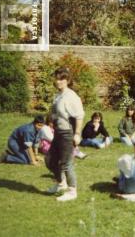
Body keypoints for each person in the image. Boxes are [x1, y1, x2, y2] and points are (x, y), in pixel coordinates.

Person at [47, 67, 85, 202]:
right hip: (57, 132)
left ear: (67, 80)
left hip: (67, 134)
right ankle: (61, 184)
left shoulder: (72, 97)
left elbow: (79, 116)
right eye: (57, 79)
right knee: (50, 161)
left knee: (66, 164)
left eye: (62, 79)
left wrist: (77, 134)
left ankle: (72, 191)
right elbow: (55, 112)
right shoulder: (58, 95)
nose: (58, 82)